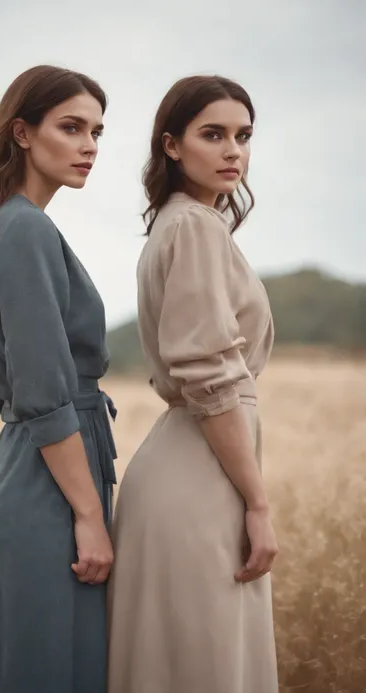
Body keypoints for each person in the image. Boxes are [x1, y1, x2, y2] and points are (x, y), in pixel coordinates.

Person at [107, 75, 279, 693]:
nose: (234, 150)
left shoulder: (179, 225)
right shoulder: (195, 228)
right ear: (172, 146)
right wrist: (258, 504)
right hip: (198, 478)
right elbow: (209, 376)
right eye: (214, 135)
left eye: (244, 136)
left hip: (188, 468)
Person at [0, 65, 117, 693]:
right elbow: (44, 391)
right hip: (49, 489)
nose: (89, 147)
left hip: (36, 472)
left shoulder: (12, 225)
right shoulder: (23, 230)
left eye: (97, 132)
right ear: (22, 133)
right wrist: (89, 515)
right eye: (71, 127)